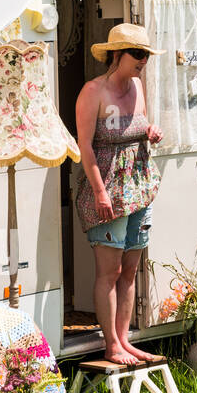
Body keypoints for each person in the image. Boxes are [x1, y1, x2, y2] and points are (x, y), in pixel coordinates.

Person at [73, 23, 164, 365]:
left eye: (146, 55)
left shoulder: (138, 86)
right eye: (138, 54)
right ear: (117, 54)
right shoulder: (92, 91)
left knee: (130, 270)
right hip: (108, 188)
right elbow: (85, 146)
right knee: (108, 272)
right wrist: (99, 192)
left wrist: (151, 131)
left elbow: (139, 126)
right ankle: (111, 344)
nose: (143, 61)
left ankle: (125, 340)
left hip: (139, 185)